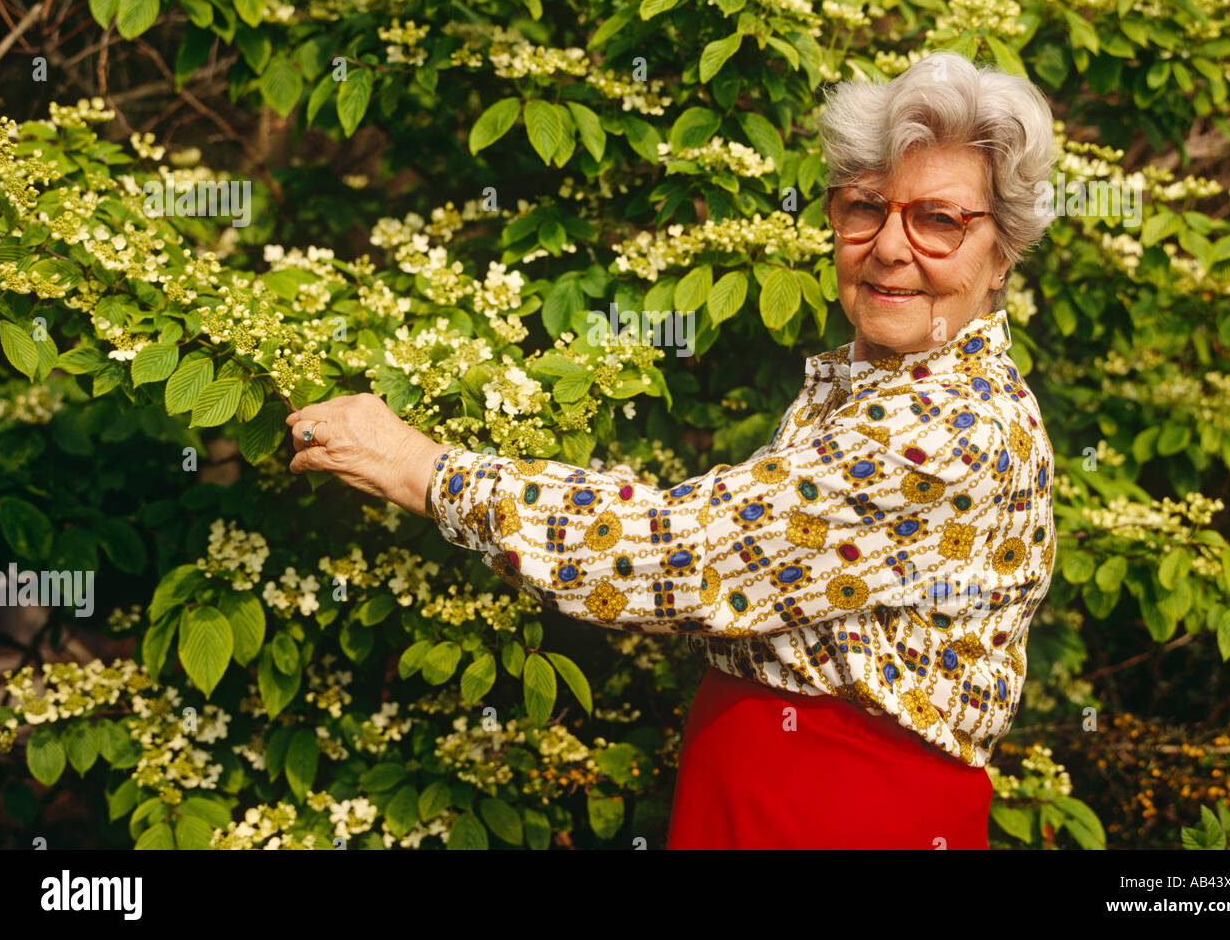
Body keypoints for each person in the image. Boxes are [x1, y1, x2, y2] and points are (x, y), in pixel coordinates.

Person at [286, 50, 1059, 850]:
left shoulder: (948, 429)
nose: (889, 247)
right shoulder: (884, 377)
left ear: (1002, 250)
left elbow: (684, 552)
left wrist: (420, 466)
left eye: (939, 220)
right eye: (864, 207)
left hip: (843, 819)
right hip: (762, 800)